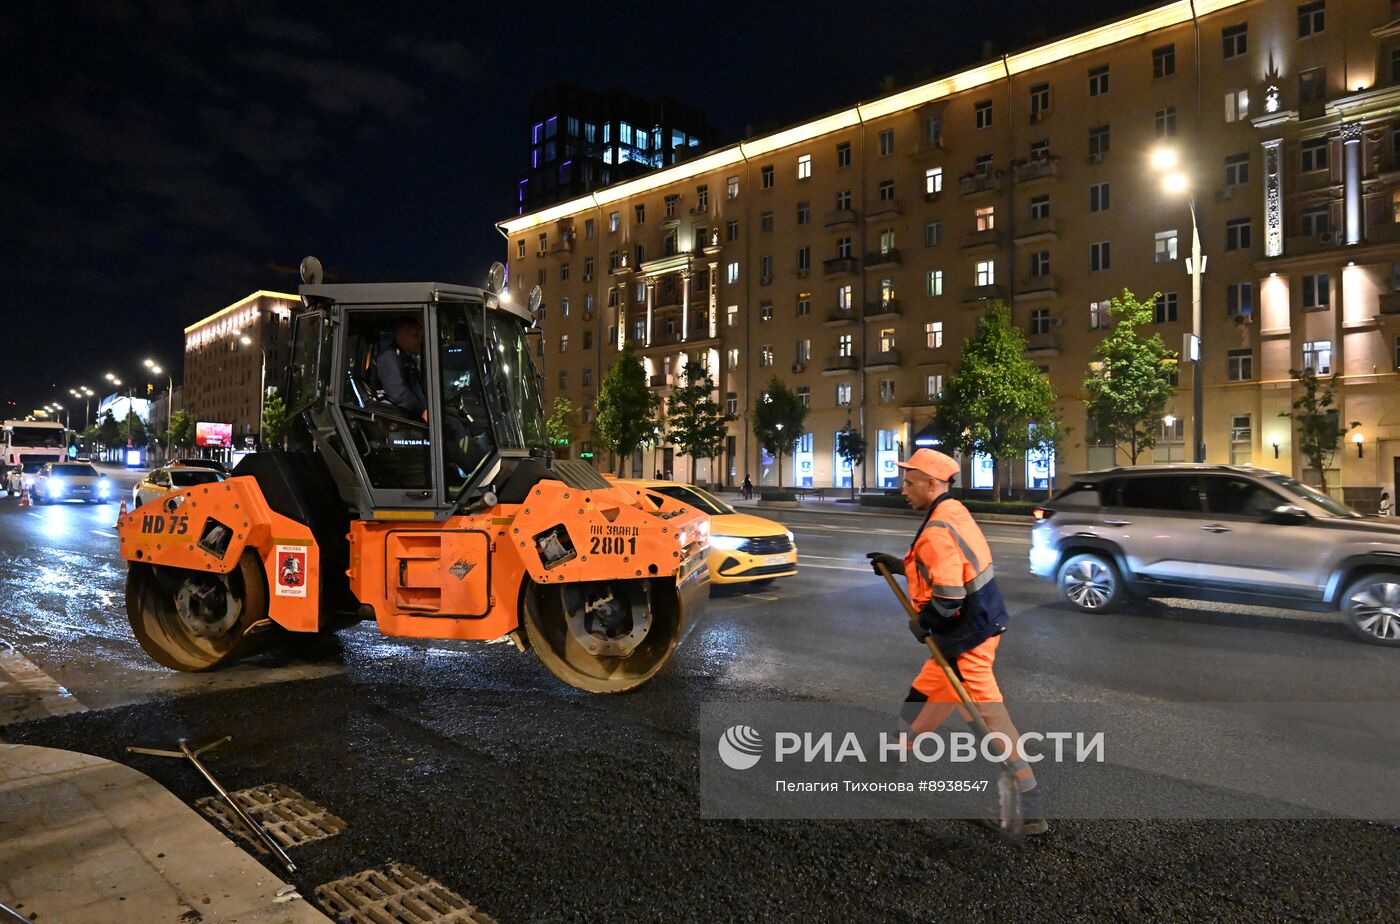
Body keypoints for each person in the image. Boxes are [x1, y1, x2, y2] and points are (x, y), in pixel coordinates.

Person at [866, 448, 1047, 835]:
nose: (903, 489)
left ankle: (1029, 806)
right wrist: (902, 566)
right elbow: (950, 565)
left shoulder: (936, 529)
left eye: (909, 482)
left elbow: (948, 597)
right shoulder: (952, 511)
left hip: (967, 638)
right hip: (970, 629)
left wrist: (925, 623)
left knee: (987, 720)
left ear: (932, 484)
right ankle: (891, 759)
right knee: (924, 693)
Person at [375, 317, 427, 420]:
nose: (420, 340)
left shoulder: (406, 358)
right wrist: (422, 411)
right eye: (416, 335)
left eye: (421, 336)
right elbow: (398, 392)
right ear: (401, 334)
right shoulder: (389, 357)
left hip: (409, 412)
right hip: (396, 417)